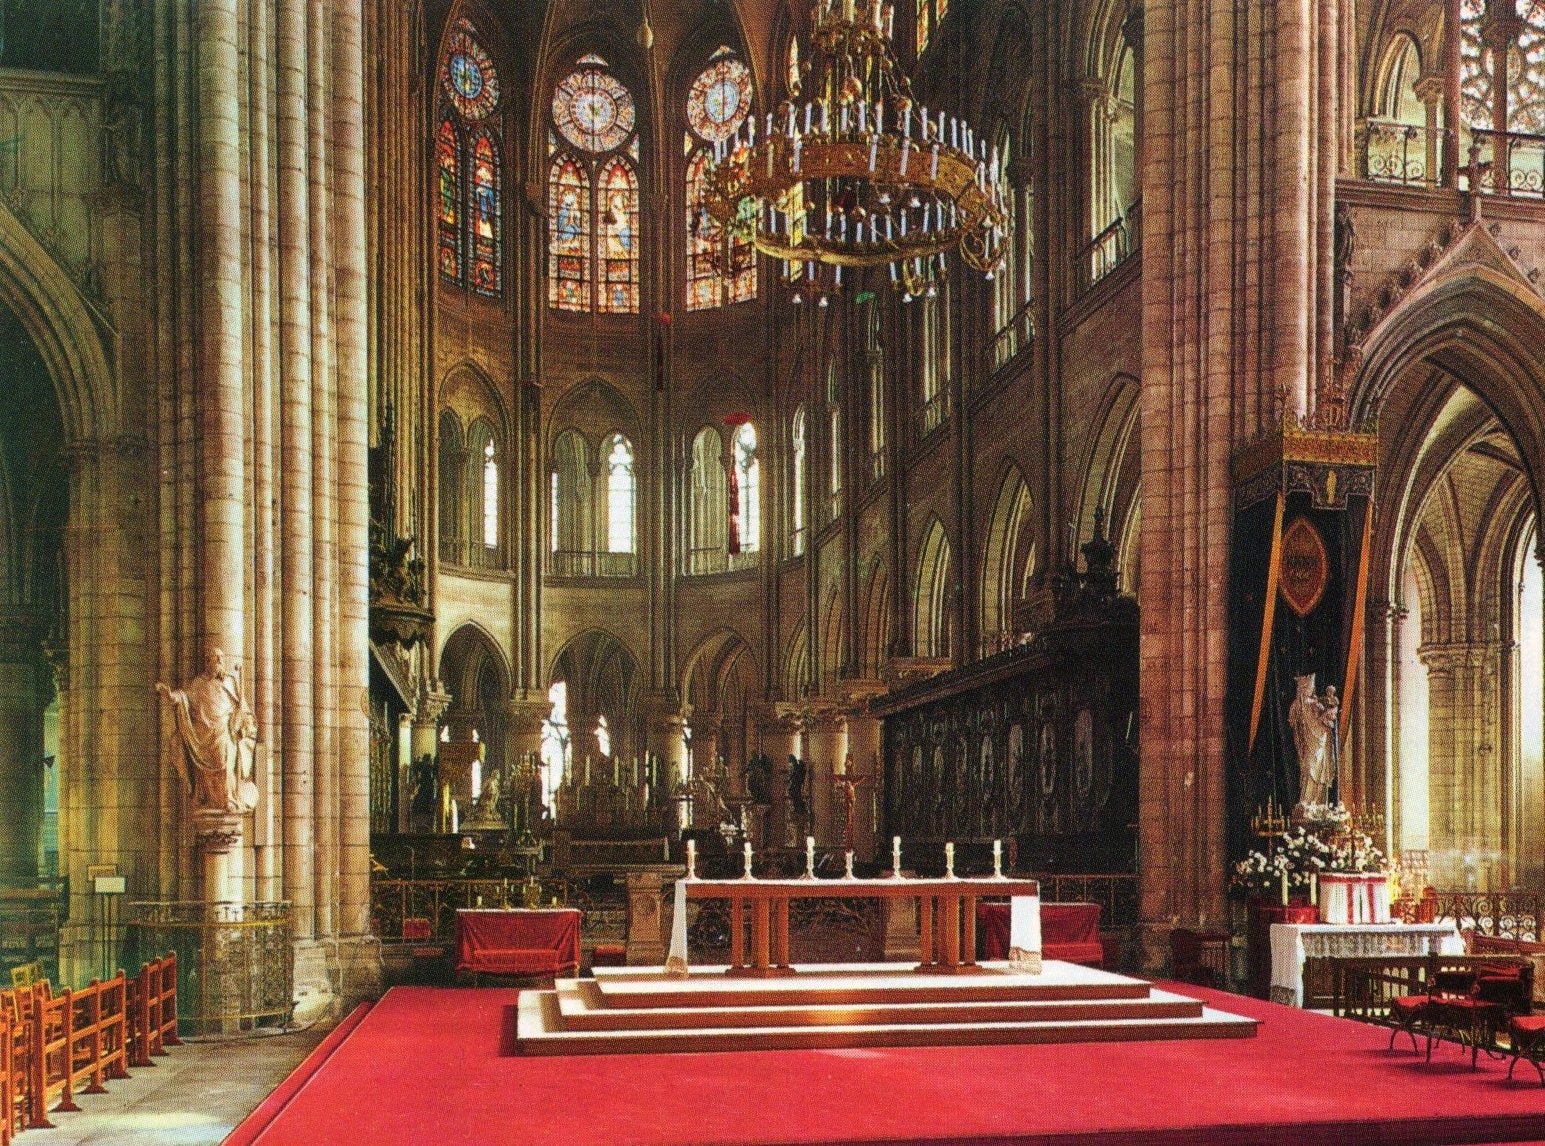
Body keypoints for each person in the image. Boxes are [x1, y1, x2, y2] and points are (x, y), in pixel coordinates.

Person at [157, 646, 259, 814]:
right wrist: (170, 696)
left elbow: (243, 708)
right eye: (216, 658)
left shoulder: (230, 682)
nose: (220, 662)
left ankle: (229, 798)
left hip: (225, 731)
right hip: (204, 734)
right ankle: (209, 799)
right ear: (207, 662)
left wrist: (244, 722)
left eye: (221, 659)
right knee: (207, 771)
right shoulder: (199, 683)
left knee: (225, 764)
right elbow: (184, 697)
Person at [1288, 673, 1338, 809]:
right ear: (1302, 689)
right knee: (1309, 767)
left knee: (1321, 768)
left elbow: (1326, 717)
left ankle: (1318, 802)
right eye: (1308, 688)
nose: (1310, 690)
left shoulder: (1316, 702)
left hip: (1321, 738)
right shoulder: (1297, 705)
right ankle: (1306, 800)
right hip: (1308, 741)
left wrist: (1326, 716)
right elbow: (1293, 722)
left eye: (1312, 688)